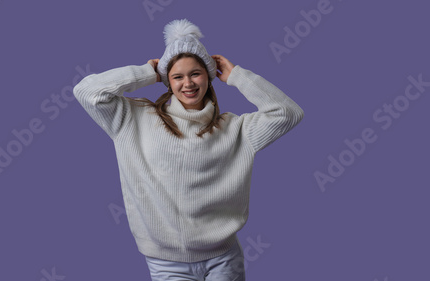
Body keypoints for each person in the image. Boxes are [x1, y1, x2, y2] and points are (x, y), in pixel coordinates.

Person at [73, 19, 304, 281]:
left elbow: (287, 113)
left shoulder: (236, 129)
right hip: (166, 263)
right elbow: (87, 92)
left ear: (209, 75)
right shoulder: (133, 118)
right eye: (177, 76)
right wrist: (147, 72)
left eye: (195, 73)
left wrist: (238, 76)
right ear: (167, 80)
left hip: (224, 258)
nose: (188, 84)